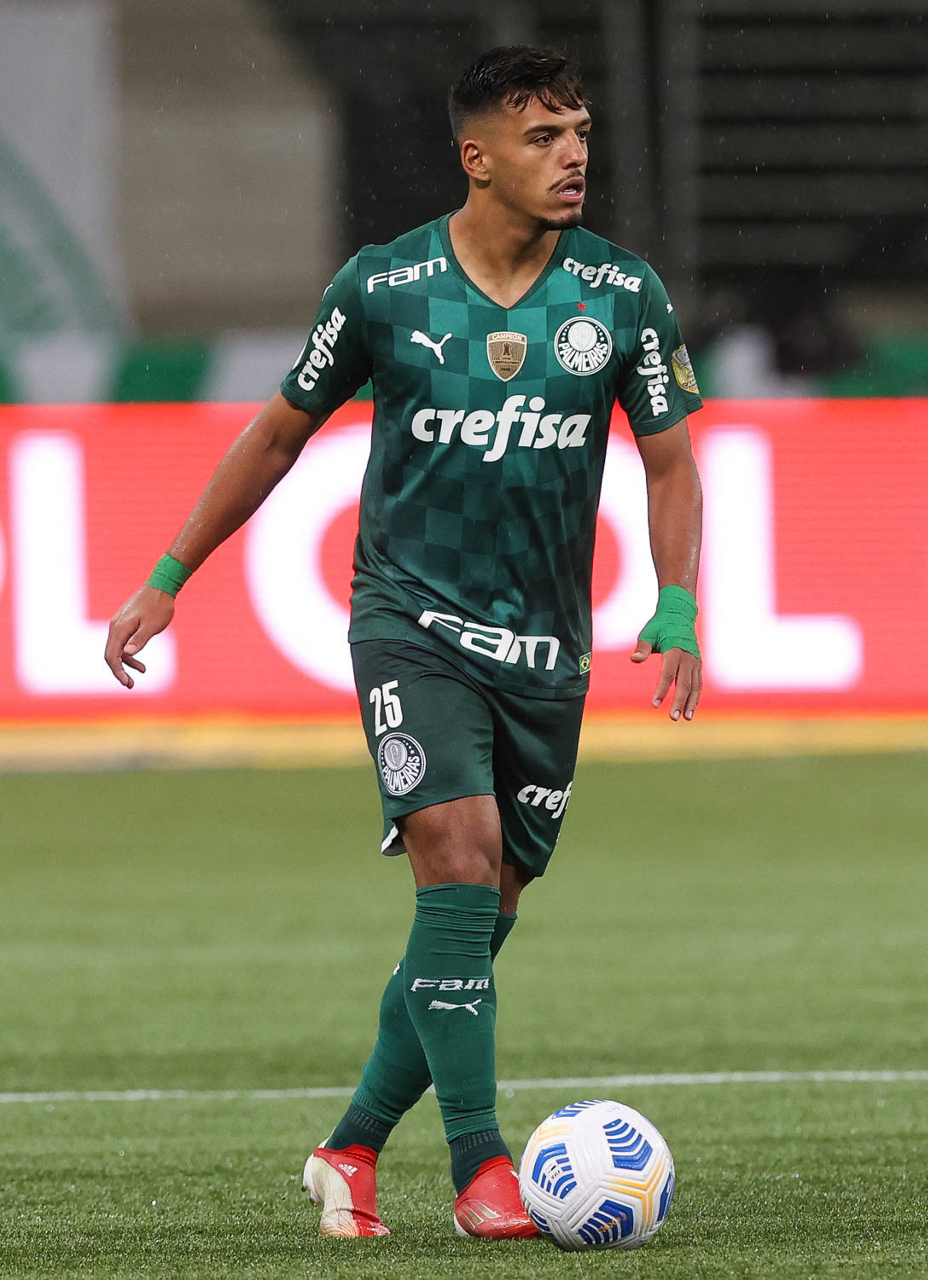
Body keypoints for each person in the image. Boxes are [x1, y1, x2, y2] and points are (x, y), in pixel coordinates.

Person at [105, 45, 703, 1241]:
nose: (573, 155)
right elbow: (277, 436)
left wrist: (676, 602)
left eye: (580, 132)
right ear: (476, 157)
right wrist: (169, 574)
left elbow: (671, 460)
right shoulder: (385, 287)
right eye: (543, 137)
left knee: (479, 918)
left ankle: (349, 1147)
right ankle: (482, 1168)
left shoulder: (621, 294)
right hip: (409, 622)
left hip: (545, 649)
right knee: (459, 859)